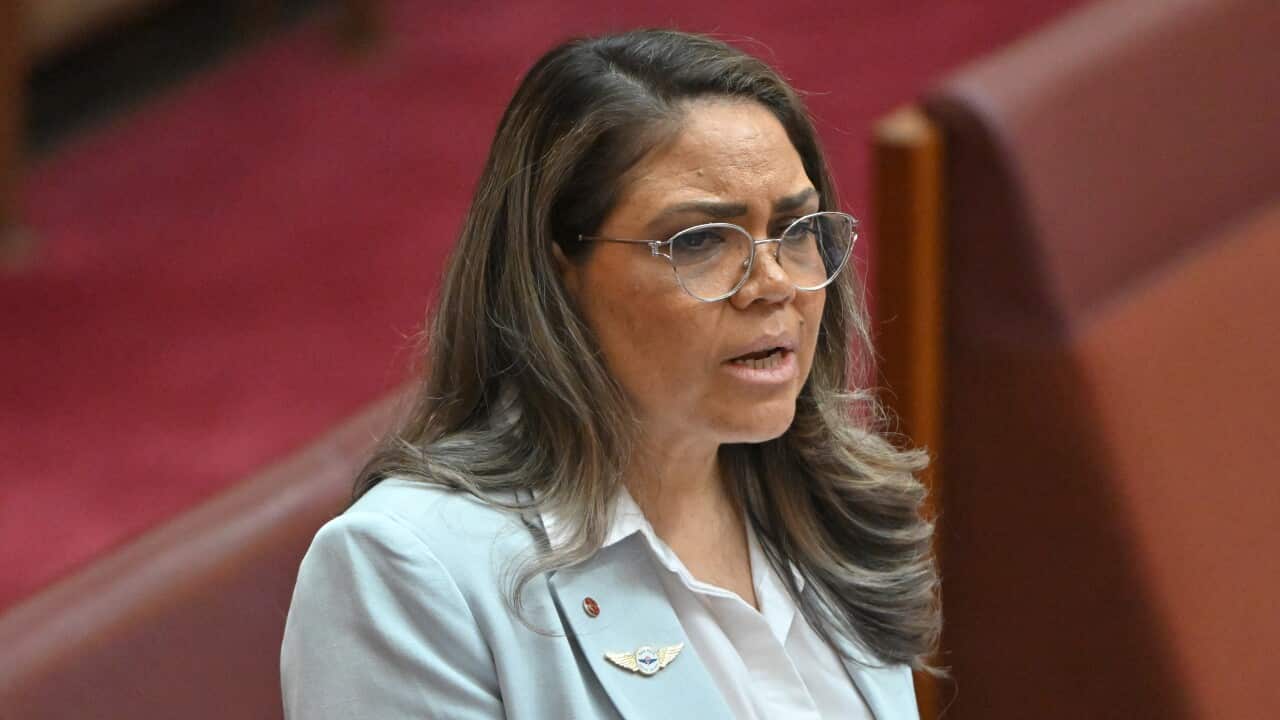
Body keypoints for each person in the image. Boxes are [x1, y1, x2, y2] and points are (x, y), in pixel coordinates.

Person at [280, 28, 940, 720]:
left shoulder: (825, 504)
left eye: (795, 229)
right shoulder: (411, 572)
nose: (773, 284)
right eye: (705, 240)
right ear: (558, 270)